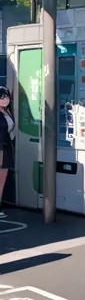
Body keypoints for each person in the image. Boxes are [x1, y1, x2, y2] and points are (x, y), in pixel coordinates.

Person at [0, 87, 15, 219]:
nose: (5, 99)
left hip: (6, 149)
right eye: (2, 97)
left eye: (7, 97)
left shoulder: (6, 111)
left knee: (2, 180)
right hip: (1, 149)